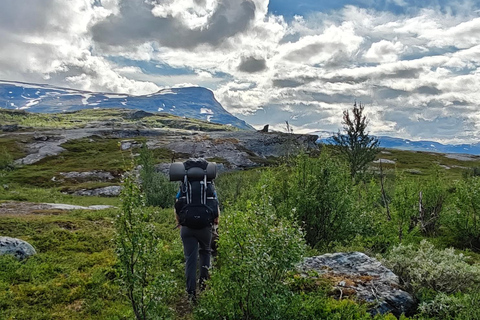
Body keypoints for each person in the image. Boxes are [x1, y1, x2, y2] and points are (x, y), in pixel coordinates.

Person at [174, 161, 219, 302]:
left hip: (187, 228)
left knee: (190, 260)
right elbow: (216, 208)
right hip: (205, 228)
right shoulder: (209, 186)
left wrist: (180, 223)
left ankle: (191, 294)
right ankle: (203, 286)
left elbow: (176, 205)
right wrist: (215, 223)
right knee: (205, 252)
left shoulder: (184, 187)